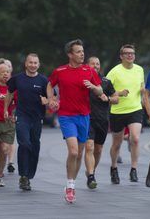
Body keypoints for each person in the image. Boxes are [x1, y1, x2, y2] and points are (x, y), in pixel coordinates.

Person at [47, 39, 103, 203]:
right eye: (78, 52)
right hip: (66, 116)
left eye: (82, 51)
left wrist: (93, 87)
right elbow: (50, 85)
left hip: (84, 116)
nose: (82, 54)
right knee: (73, 152)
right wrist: (51, 99)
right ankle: (70, 186)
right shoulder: (60, 71)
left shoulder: (89, 70)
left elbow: (100, 90)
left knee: (79, 154)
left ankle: (71, 183)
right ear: (70, 54)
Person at [4, 53, 48, 191]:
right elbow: (9, 93)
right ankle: (23, 176)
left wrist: (46, 101)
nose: (33, 65)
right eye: (31, 62)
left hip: (37, 118)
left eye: (35, 63)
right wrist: (6, 109)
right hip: (22, 116)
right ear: (26, 64)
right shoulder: (17, 79)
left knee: (34, 146)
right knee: (24, 143)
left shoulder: (43, 80)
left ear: (39, 65)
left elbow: (51, 98)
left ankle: (29, 176)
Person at [106, 44, 144, 184]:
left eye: (132, 53)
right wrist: (119, 93)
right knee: (117, 143)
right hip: (118, 111)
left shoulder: (139, 70)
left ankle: (134, 169)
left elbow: (142, 87)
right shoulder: (114, 72)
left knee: (135, 138)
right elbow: (106, 91)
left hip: (135, 109)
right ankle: (114, 167)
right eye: (127, 53)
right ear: (121, 56)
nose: (130, 55)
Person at [84, 57, 119, 189]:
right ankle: (91, 176)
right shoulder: (83, 81)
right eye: (92, 63)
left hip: (102, 120)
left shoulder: (105, 82)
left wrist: (108, 98)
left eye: (97, 64)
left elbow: (117, 99)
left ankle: (91, 170)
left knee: (98, 150)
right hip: (87, 119)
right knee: (89, 147)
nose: (95, 66)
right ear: (87, 65)